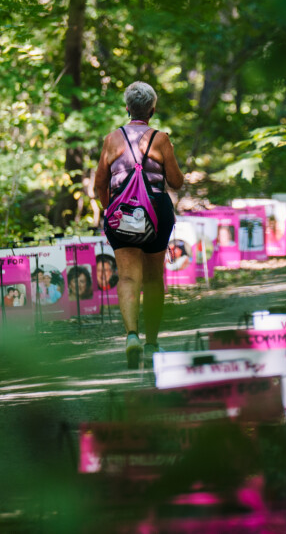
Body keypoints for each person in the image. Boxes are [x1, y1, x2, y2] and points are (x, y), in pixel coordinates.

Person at [94, 80, 184, 369]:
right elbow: (176, 182)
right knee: (154, 278)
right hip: (156, 212)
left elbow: (99, 184)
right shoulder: (161, 139)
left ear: (127, 109)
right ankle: (152, 342)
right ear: (152, 110)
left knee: (129, 277)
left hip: (122, 212)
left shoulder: (111, 139)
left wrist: (109, 208)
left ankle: (131, 336)